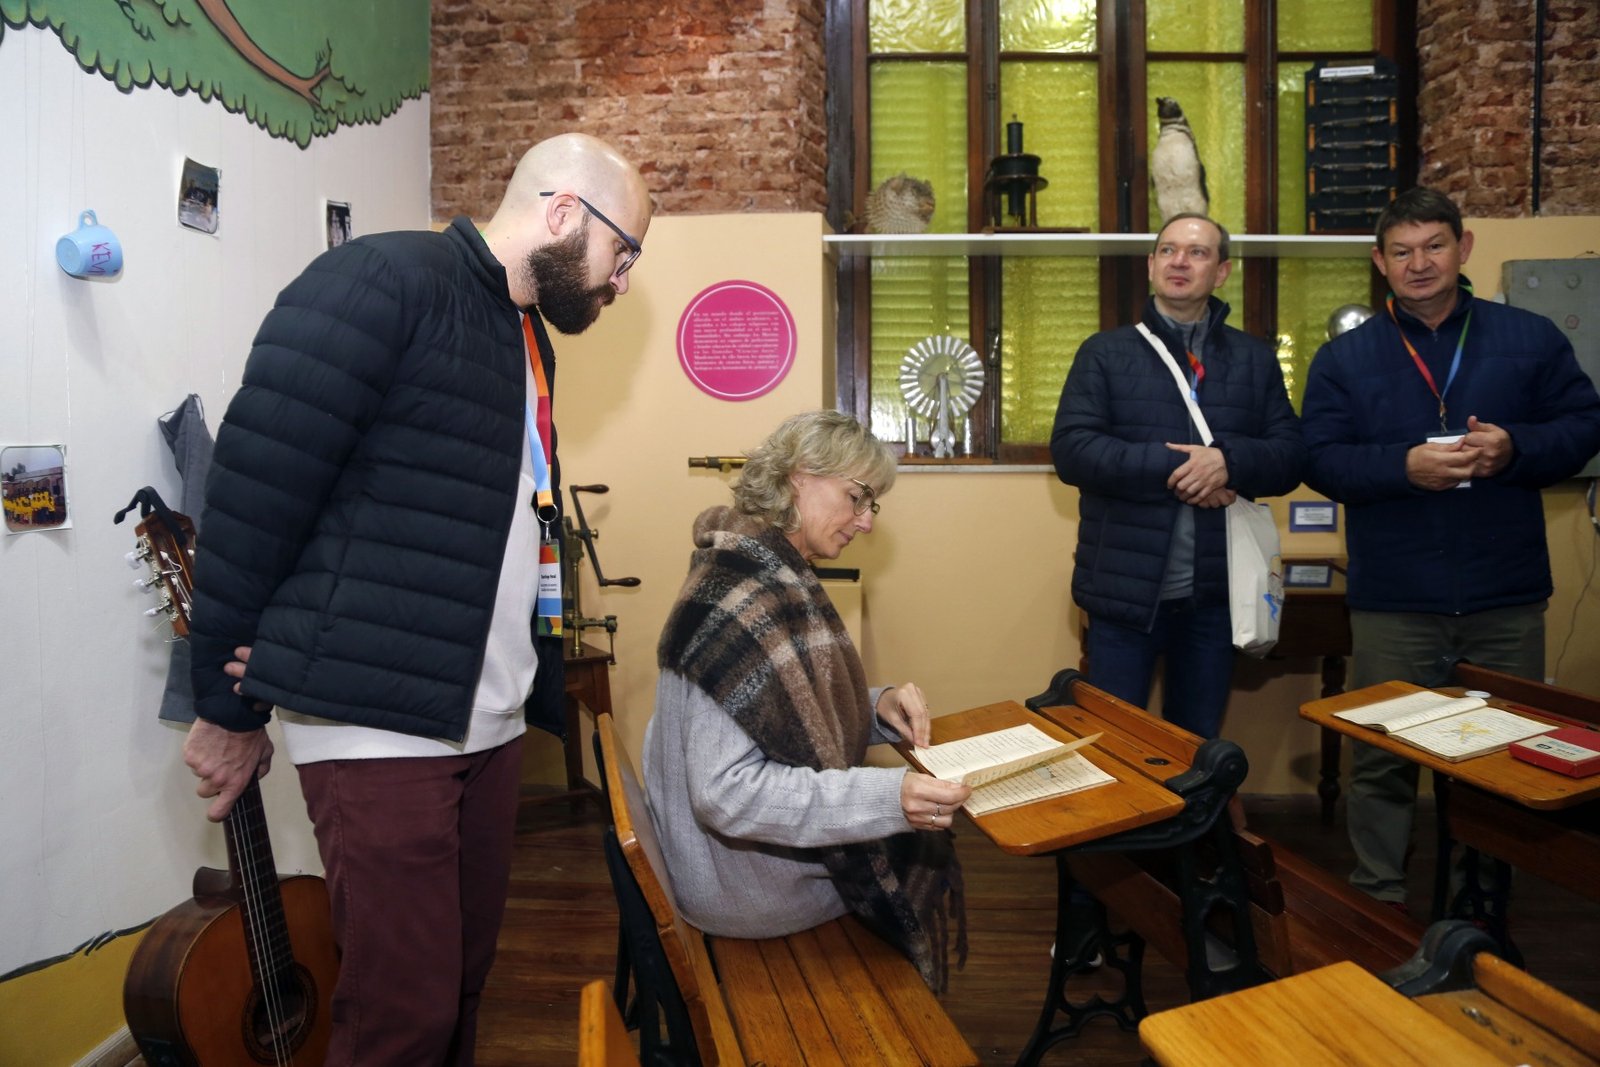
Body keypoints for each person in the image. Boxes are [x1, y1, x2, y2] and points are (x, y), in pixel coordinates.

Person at [181, 132, 652, 1064]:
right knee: (403, 1016)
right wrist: (226, 705)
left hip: (486, 720)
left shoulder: (527, 338)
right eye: (623, 250)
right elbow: (256, 492)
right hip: (378, 722)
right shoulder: (382, 280)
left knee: (460, 988)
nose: (623, 280)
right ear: (564, 213)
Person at [1301, 186, 1600, 908]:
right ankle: (1379, 897)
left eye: (1434, 245)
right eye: (1401, 251)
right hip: (1394, 598)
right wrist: (1400, 467)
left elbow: (1584, 426)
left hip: (1505, 594)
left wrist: (1515, 448)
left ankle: (1481, 903)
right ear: (1380, 262)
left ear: (1463, 248)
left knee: (1499, 758)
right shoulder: (1345, 357)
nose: (1419, 263)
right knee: (1382, 756)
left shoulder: (1529, 337)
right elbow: (1320, 458)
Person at [643, 410, 971, 989]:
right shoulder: (744, 594)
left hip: (730, 869)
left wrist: (875, 707)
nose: (865, 522)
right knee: (911, 851)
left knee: (911, 838)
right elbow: (726, 795)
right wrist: (887, 798)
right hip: (744, 889)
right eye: (858, 497)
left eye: (872, 505)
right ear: (799, 476)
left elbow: (779, 708)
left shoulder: (757, 568)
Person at [1050, 214, 1306, 739]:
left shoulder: (1255, 359)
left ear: (1222, 271)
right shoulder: (1105, 353)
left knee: (1197, 747)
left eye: (1197, 252)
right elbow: (1074, 451)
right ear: (1151, 265)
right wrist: (1187, 470)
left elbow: (1290, 455)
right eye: (1168, 250)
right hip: (1123, 595)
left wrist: (1228, 462)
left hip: (1215, 599)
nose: (1180, 262)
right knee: (1114, 745)